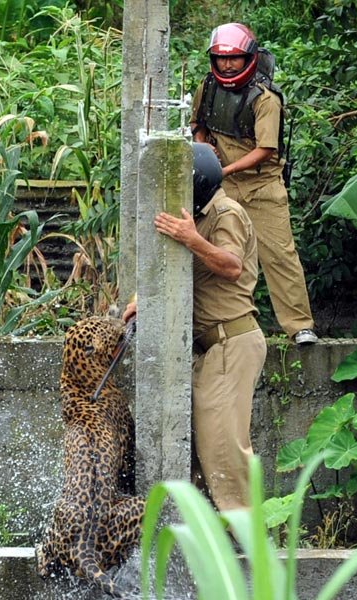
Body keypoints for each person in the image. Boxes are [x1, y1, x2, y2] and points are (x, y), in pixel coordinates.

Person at [124, 143, 266, 511]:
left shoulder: (225, 212)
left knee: (224, 449)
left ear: (198, 183)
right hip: (209, 349)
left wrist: (192, 239)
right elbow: (180, 272)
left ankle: (249, 544)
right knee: (203, 450)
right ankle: (213, 538)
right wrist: (144, 301)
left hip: (230, 343)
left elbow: (232, 265)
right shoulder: (197, 216)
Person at [189, 21, 318, 346]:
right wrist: (204, 149)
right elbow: (198, 125)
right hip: (221, 184)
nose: (227, 64)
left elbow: (265, 150)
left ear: (249, 58)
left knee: (279, 254)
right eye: (221, 58)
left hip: (261, 187)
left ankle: (299, 326)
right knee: (222, 255)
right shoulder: (208, 86)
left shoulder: (265, 98)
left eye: (233, 58)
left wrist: (225, 170)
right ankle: (229, 326)